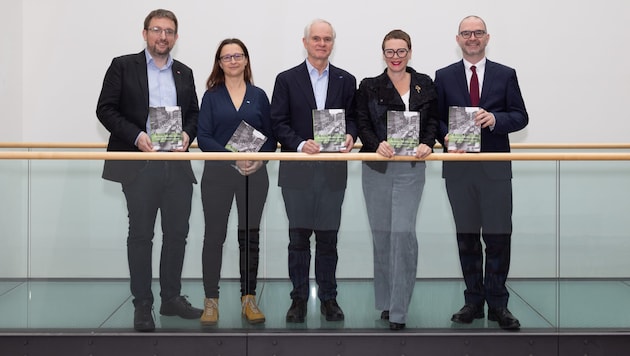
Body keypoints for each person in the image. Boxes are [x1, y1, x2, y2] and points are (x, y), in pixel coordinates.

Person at [96, 9, 202, 332]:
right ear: (144, 33)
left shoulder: (184, 72)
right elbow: (105, 109)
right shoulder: (122, 66)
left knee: (177, 235)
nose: (163, 37)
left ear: (176, 37)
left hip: (176, 167)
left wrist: (187, 134)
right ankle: (143, 304)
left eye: (169, 31)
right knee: (141, 235)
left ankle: (171, 298)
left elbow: (195, 114)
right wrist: (138, 136)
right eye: (157, 30)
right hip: (138, 165)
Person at [434, 15, 528, 330]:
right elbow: (435, 121)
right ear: (458, 39)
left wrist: (496, 120)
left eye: (477, 33)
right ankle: (473, 301)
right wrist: (445, 136)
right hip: (459, 171)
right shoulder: (443, 76)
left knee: (499, 238)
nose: (472, 38)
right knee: (467, 239)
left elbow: (520, 116)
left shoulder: (506, 74)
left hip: (495, 171)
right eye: (466, 33)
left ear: (486, 38)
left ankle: (498, 305)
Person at [270, 19, 357, 323]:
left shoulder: (347, 80)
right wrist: (298, 144)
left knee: (328, 240)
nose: (322, 44)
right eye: (316, 39)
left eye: (327, 39)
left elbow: (355, 119)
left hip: (333, 172)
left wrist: (350, 136)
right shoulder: (286, 79)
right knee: (298, 240)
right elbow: (277, 122)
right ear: (305, 42)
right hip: (297, 171)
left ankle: (329, 299)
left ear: (333, 43)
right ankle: (298, 300)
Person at [355, 29, 439, 331]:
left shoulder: (425, 84)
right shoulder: (369, 86)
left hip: (411, 168)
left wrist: (428, 142)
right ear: (383, 53)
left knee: (403, 233)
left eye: (401, 51)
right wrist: (375, 142)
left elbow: (433, 122)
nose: (395, 57)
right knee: (382, 236)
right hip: (377, 167)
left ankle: (400, 309)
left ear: (410, 52)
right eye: (390, 51)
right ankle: (387, 302)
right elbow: (361, 121)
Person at [196, 38, 277, 326]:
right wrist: (232, 158)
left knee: (249, 237)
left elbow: (271, 137)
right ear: (219, 63)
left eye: (237, 55)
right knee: (214, 237)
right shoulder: (211, 96)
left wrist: (259, 160)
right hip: (218, 176)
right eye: (226, 57)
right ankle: (211, 300)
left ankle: (248, 298)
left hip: (254, 175)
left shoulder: (259, 95)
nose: (232, 61)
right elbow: (203, 136)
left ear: (246, 60)